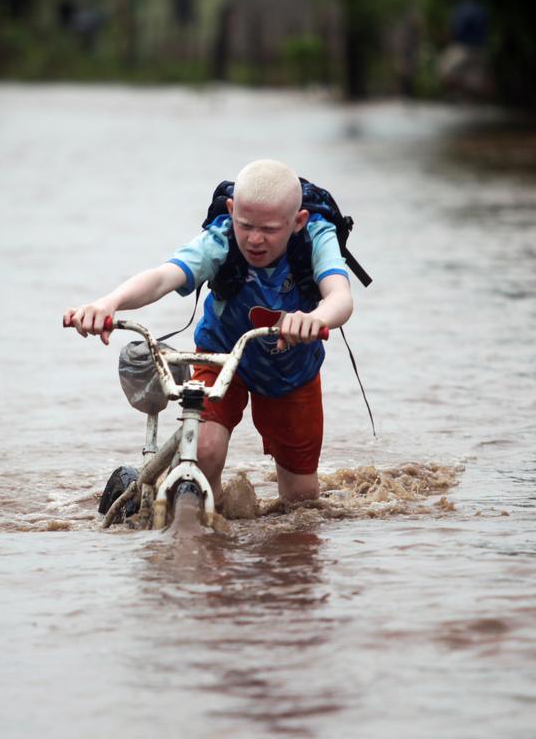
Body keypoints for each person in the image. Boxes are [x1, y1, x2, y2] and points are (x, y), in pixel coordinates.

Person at [64, 159, 353, 505]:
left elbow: (340, 297)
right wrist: (109, 303)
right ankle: (207, 528)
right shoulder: (221, 238)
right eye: (245, 225)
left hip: (291, 372)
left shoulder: (317, 236)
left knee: (302, 502)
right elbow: (162, 277)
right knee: (204, 451)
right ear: (232, 211)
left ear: (297, 221)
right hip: (221, 358)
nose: (255, 239)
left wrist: (316, 318)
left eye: (271, 229)